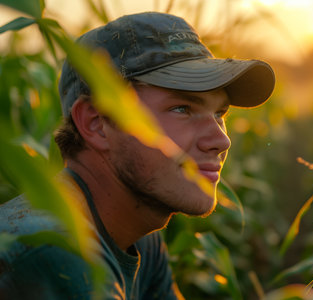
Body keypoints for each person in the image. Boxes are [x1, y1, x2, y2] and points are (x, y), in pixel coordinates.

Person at [0, 12, 275, 299]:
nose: (221, 140)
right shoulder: (53, 252)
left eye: (219, 114)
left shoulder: (139, 237)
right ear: (97, 123)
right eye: (182, 108)